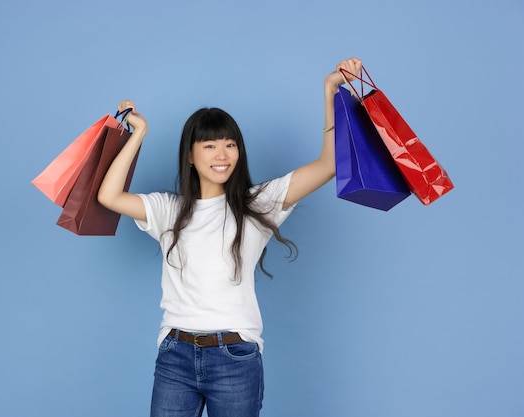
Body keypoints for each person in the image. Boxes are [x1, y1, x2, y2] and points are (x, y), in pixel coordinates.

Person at [98, 57, 362, 417]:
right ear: (190, 155)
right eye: (209, 146)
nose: (222, 155)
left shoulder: (259, 204)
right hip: (175, 354)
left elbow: (329, 165)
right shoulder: (168, 210)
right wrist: (138, 134)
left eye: (229, 144)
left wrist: (330, 91)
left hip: (235, 356)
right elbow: (107, 196)